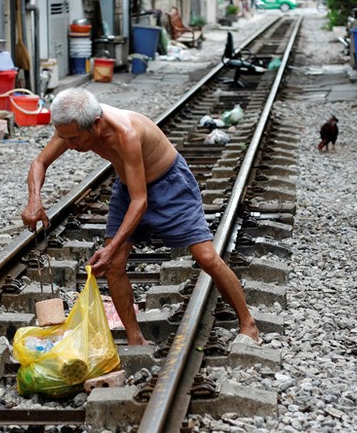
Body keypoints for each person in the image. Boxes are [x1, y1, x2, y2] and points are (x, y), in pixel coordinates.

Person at [21, 88, 261, 346]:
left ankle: (249, 324)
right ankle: (135, 339)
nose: (69, 145)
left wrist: (111, 247)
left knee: (206, 257)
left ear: (97, 124)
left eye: (75, 139)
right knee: (114, 266)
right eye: (63, 137)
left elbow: (141, 201)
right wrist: (34, 199)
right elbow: (40, 163)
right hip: (129, 188)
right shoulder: (73, 125)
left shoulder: (126, 133)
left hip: (169, 185)